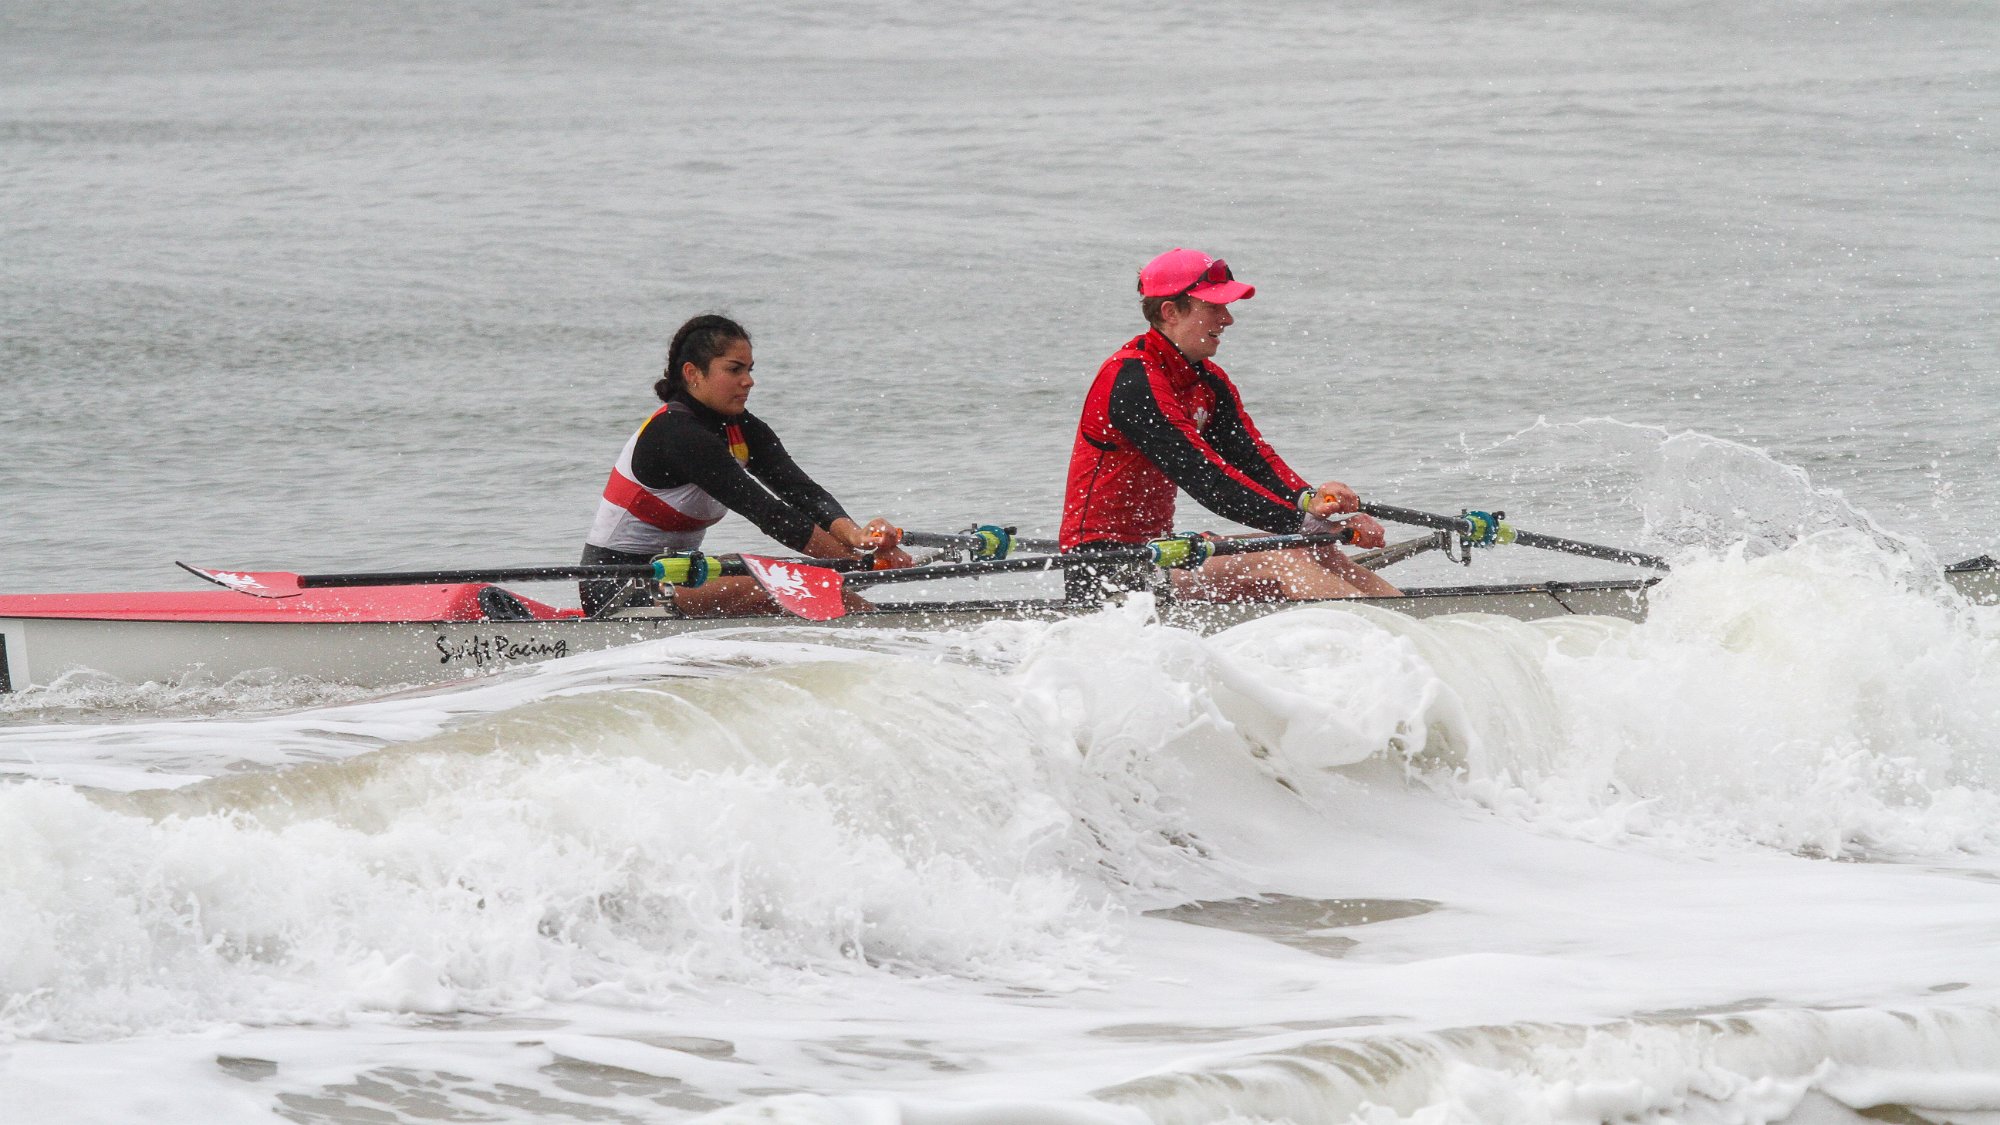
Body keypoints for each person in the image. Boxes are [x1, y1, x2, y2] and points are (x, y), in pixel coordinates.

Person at [1058, 248, 1401, 604]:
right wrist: (1308, 524)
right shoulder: (1131, 380)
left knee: (1317, 550)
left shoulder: (1207, 382)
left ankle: (1415, 626)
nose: (1228, 319)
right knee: (1287, 555)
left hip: (1160, 552)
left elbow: (1251, 458)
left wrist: (1307, 501)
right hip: (1105, 569)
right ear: (1170, 312)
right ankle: (1385, 633)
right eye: (1213, 307)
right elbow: (1205, 477)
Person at [581, 314, 909, 617]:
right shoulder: (677, 434)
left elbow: (801, 492)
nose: (748, 381)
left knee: (801, 579)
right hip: (618, 587)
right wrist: (859, 561)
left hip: (676, 574)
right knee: (787, 584)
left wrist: (858, 537)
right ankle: (892, 641)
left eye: (750, 369)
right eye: (735, 370)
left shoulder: (741, 427)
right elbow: (768, 512)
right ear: (693, 373)